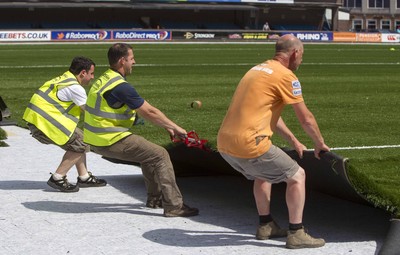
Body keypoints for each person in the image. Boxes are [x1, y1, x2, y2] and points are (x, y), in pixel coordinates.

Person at [217, 34, 330, 249]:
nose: (301, 60)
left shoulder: (256, 70)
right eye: (302, 55)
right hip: (250, 143)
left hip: (225, 144)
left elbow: (269, 115)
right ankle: (297, 233)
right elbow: (306, 118)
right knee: (297, 176)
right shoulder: (286, 76)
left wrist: (294, 140)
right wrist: (319, 143)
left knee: (262, 173)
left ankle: (265, 225)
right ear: (295, 53)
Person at [83, 43, 199, 218]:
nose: (134, 62)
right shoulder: (120, 86)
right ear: (122, 61)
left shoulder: (104, 79)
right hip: (108, 139)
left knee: (148, 153)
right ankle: (174, 206)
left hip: (95, 138)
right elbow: (150, 111)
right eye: (132, 58)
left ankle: (155, 199)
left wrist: (166, 126)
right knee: (160, 155)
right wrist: (175, 127)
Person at [23, 56, 107, 192]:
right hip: (43, 125)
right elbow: (91, 113)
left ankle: (84, 177)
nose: (92, 77)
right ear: (83, 73)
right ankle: (58, 177)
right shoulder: (75, 87)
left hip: (37, 121)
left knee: (80, 138)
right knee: (82, 143)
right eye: (91, 73)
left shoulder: (64, 78)